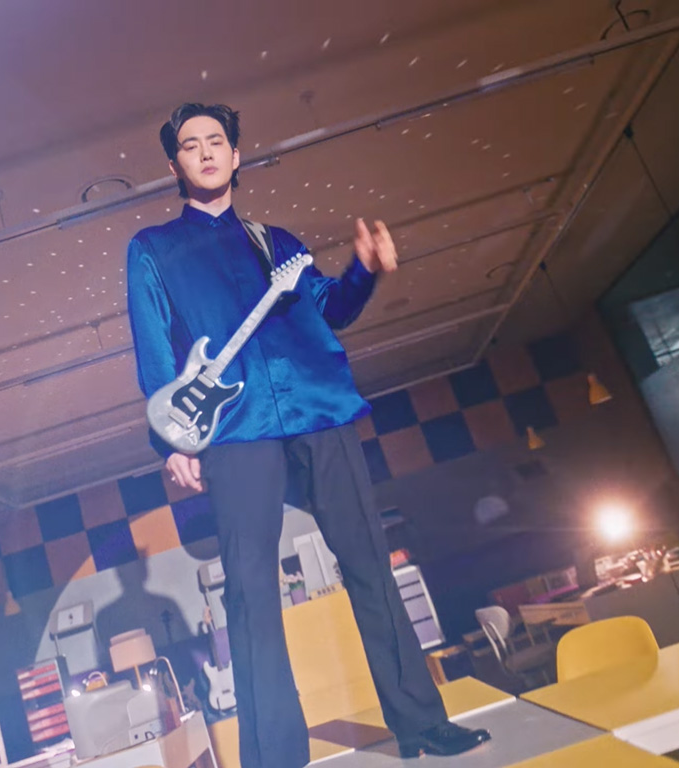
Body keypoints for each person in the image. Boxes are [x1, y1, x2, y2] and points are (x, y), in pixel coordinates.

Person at [126, 103, 490, 767]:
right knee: (250, 594)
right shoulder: (152, 249)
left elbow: (331, 308)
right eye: (190, 144)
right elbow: (152, 344)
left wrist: (365, 270)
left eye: (216, 141)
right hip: (234, 430)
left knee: (371, 565)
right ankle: (275, 758)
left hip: (319, 411)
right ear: (175, 164)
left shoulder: (277, 241)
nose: (205, 151)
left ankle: (421, 723)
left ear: (236, 156)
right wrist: (171, 439)